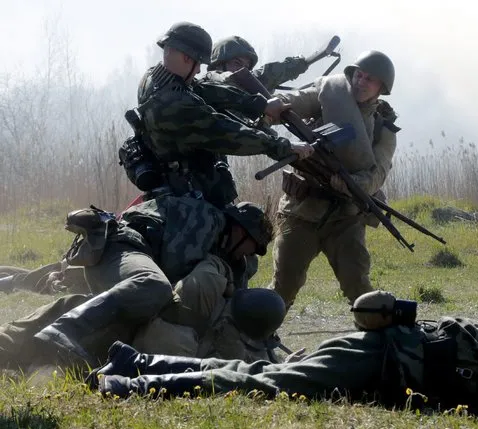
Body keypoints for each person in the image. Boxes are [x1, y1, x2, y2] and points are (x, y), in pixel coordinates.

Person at [32, 21, 313, 367]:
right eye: (168, 50)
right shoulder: (171, 103)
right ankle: (60, 328)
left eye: (175, 51)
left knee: (151, 289)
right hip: (174, 203)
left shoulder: (162, 77)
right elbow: (222, 130)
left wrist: (259, 106)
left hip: (178, 199)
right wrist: (282, 144)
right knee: (151, 287)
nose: (167, 54)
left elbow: (211, 91)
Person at [91, 290, 478, 422]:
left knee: (264, 370)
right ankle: (131, 386)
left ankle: (138, 364)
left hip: (381, 369)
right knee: (271, 383)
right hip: (377, 357)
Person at [0, 202, 284, 369]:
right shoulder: (206, 220)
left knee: (104, 309)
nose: (247, 256)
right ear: (241, 230)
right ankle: (65, 329)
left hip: (127, 260)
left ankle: (9, 347)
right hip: (120, 246)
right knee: (152, 286)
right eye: (251, 247)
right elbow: (174, 273)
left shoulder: (221, 250)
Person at [266, 50, 400, 309]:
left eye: (369, 79)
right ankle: (255, 343)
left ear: (381, 87)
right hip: (301, 211)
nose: (361, 82)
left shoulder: (384, 129)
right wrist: (270, 108)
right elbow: (292, 101)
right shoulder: (329, 92)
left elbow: (378, 173)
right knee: (282, 289)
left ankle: (377, 344)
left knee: (360, 289)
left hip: (346, 217)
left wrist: (354, 184)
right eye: (359, 75)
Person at [205, 35, 309, 92]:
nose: (243, 70)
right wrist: (293, 65)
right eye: (237, 63)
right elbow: (261, 77)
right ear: (218, 64)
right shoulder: (209, 84)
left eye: (246, 67)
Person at [0, 263, 88, 295]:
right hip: (58, 269)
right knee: (3, 269)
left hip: (58, 276)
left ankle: (13, 284)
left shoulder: (96, 241)